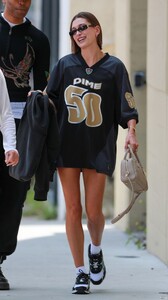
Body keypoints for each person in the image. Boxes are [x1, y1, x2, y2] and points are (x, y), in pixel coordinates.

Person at [46, 11, 139, 295]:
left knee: (93, 211)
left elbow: (127, 107)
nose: (78, 33)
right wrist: (37, 101)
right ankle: (80, 271)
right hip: (67, 145)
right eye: (74, 31)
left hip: (99, 146)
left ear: (97, 30)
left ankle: (95, 250)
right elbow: (49, 100)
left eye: (83, 28)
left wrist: (132, 132)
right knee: (73, 209)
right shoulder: (65, 65)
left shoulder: (114, 67)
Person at [0, 0, 50, 290]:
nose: (23, 2)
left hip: (21, 125)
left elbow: (41, 85)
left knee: (14, 192)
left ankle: (0, 258)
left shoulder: (39, 40)